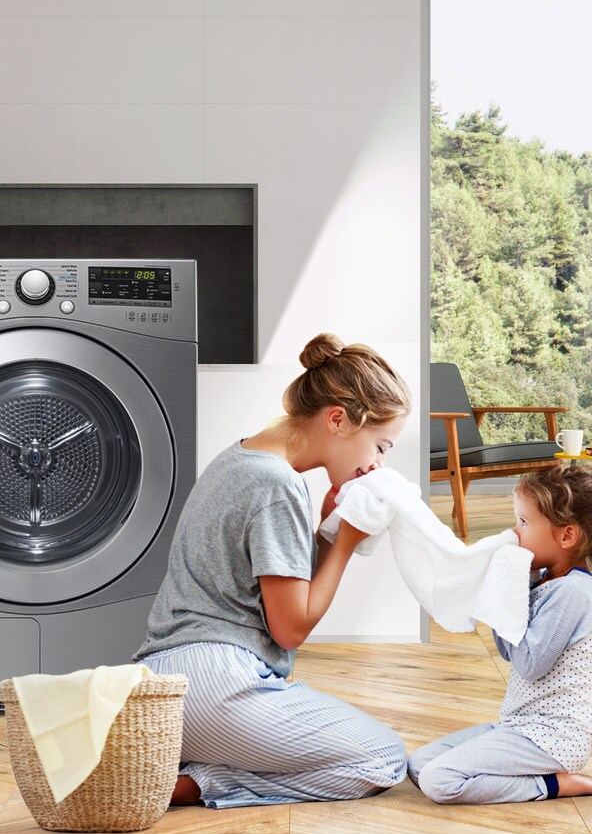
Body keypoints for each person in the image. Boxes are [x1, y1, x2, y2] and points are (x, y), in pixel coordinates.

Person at [132, 332, 411, 808]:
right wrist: (345, 543)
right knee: (384, 758)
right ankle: (196, 783)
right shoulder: (277, 484)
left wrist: (326, 532)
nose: (379, 464)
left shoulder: (240, 457)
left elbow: (269, 593)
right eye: (381, 446)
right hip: (213, 686)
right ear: (338, 420)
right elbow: (290, 628)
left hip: (159, 685)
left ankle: (184, 765)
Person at [409, 464, 592, 804]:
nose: (514, 531)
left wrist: (511, 587)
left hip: (554, 737)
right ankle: (531, 775)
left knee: (439, 780)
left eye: (524, 522)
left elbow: (530, 665)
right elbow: (509, 651)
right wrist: (511, 585)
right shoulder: (543, 581)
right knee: (419, 765)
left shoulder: (573, 593)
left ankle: (562, 784)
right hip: (518, 726)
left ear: (567, 536)